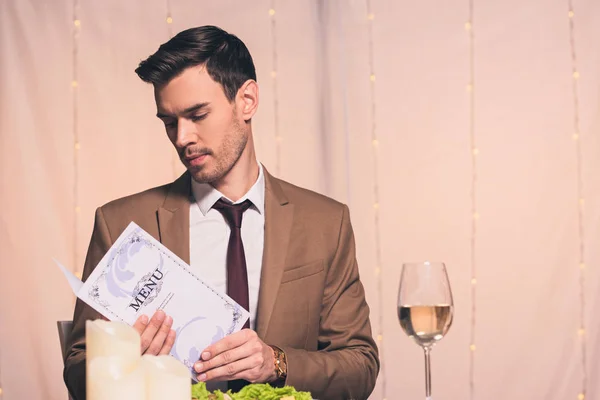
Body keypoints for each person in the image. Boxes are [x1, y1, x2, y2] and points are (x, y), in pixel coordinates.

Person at [63, 25, 379, 400]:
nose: (181, 138)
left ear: (247, 100)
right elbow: (78, 367)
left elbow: (360, 366)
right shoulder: (120, 223)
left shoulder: (326, 222)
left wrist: (276, 363)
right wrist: (125, 363)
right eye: (169, 122)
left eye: (197, 115)